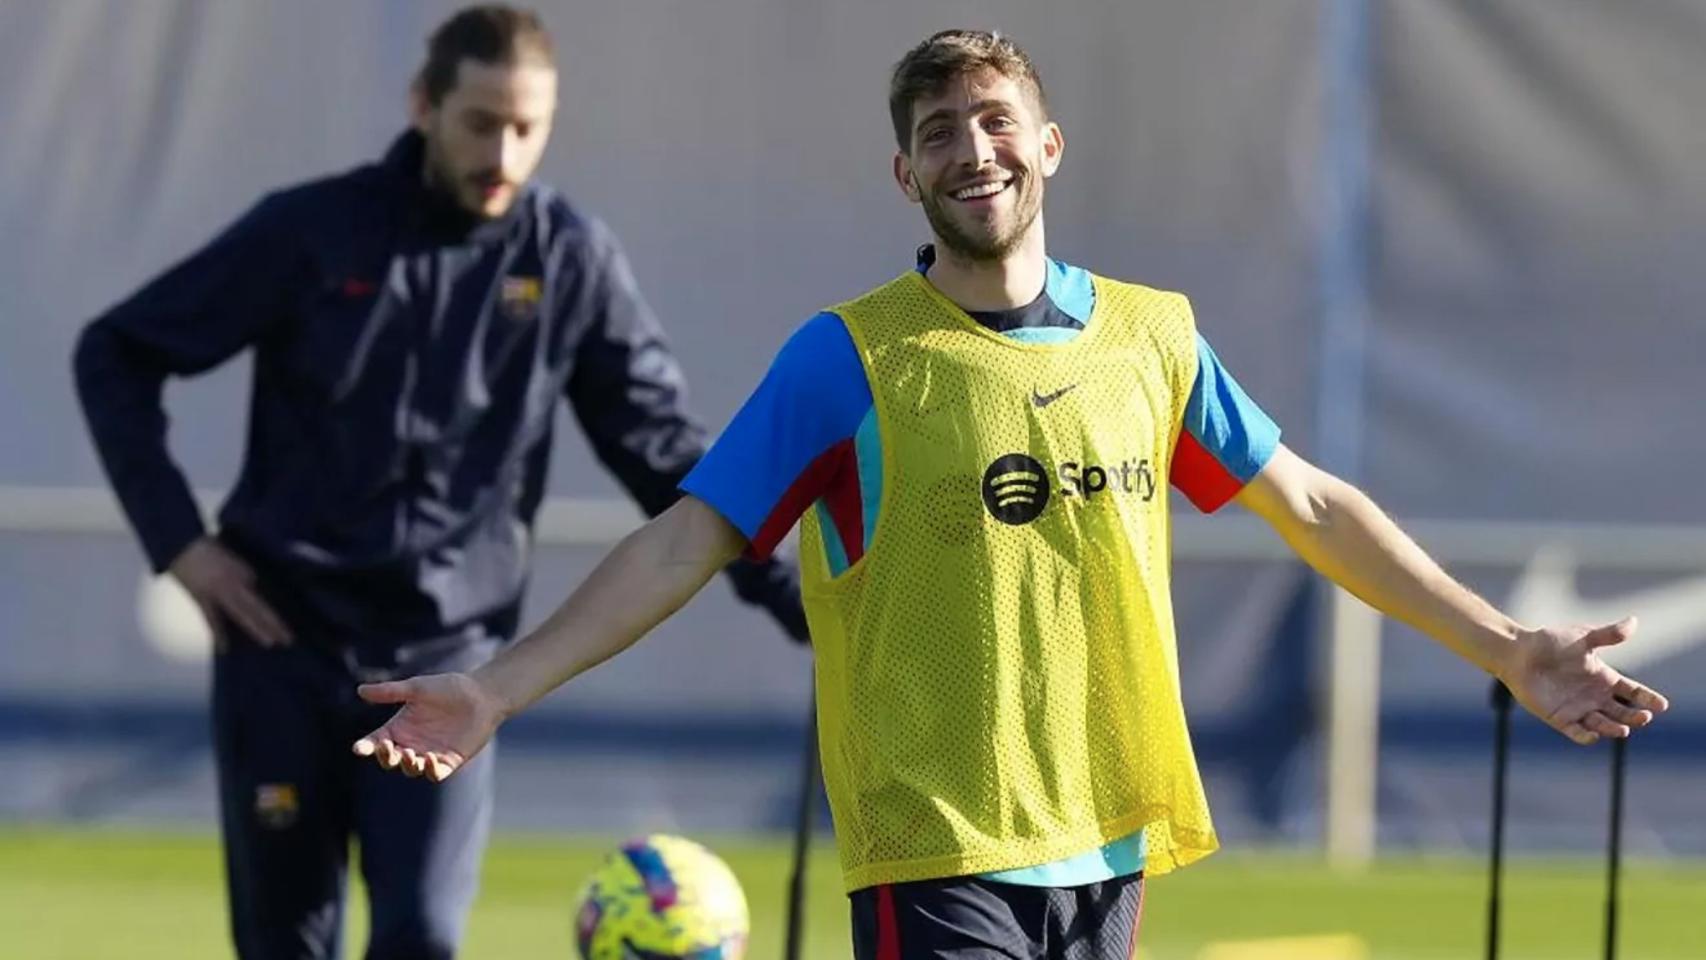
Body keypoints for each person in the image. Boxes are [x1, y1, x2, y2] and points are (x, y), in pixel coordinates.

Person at [346, 29, 1670, 959]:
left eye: (991, 122)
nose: (969, 150)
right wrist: (495, 690)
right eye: (937, 135)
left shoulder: (1153, 338)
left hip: (1105, 849)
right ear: (905, 177)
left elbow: (1310, 508)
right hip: (934, 856)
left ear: (1044, 144)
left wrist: (1506, 647)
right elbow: (686, 539)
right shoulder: (847, 357)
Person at [71, 6, 808, 958]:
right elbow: (115, 354)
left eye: (528, 127)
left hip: (447, 663)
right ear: (424, 105)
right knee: (283, 946)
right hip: (280, 650)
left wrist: (796, 597)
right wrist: (179, 541)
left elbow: (662, 450)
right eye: (480, 122)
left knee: (421, 938)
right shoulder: (311, 232)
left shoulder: (569, 260)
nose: (504, 150)